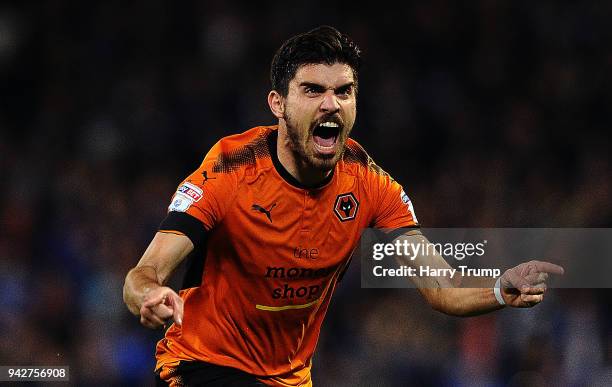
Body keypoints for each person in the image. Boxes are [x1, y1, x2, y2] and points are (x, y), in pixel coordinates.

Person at [123, 26, 564, 386]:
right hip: (202, 366)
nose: (331, 103)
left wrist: (498, 290)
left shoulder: (372, 186)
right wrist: (150, 294)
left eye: (344, 91)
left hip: (289, 380)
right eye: (313, 90)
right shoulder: (230, 169)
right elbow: (143, 273)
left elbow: (441, 288)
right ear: (278, 103)